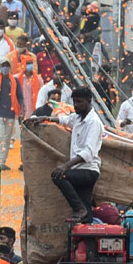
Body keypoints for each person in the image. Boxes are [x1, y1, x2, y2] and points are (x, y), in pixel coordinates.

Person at [27, 86, 103, 223]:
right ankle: (87, 240)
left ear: (89, 101)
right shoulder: (78, 117)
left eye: (79, 102)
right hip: (78, 170)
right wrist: (45, 118)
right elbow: (64, 120)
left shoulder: (93, 122)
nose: (76, 106)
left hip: (88, 170)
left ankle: (79, 209)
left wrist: (65, 166)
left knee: (59, 176)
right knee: (86, 214)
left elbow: (88, 152)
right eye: (74, 102)